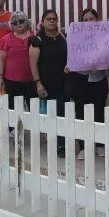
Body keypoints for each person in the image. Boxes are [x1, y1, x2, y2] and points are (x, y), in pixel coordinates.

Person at [67, 8, 109, 160]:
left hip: (99, 79)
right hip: (79, 78)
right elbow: (69, 53)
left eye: (92, 19)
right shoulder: (74, 36)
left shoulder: (105, 35)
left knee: (99, 111)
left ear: (97, 20)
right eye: (86, 19)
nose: (90, 22)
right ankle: (83, 146)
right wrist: (68, 65)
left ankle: (99, 145)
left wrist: (106, 64)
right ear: (82, 22)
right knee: (80, 112)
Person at [29, 9, 68, 157]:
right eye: (48, 19)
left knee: (64, 113)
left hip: (64, 81)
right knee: (55, 113)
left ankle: (61, 141)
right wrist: (38, 83)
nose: (52, 21)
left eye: (54, 19)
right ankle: (60, 144)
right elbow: (33, 65)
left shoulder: (62, 37)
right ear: (43, 22)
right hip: (48, 83)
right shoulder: (37, 41)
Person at [0, 11, 35, 136]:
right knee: (13, 105)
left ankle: (35, 128)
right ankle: (14, 130)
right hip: (11, 79)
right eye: (14, 22)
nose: (18, 24)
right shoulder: (6, 39)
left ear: (26, 22)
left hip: (31, 79)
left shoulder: (35, 36)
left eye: (21, 21)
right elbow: (1, 59)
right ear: (11, 25)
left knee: (33, 105)